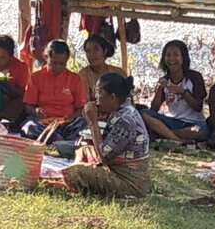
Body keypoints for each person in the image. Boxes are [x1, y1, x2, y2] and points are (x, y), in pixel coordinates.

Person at [64, 70, 152, 198]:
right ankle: (78, 174)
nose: (96, 98)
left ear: (112, 97)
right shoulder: (120, 111)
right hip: (115, 167)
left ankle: (71, 179)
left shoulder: (125, 121)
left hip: (127, 182)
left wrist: (92, 122)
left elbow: (104, 156)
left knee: (76, 172)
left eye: (100, 93)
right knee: (83, 150)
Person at [139, 38, 207, 145]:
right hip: (172, 121)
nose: (171, 59)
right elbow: (154, 109)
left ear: (183, 58)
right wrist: (160, 89)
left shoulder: (194, 77)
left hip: (193, 123)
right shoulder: (165, 80)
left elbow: (198, 106)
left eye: (176, 55)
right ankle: (179, 140)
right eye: (168, 55)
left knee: (201, 131)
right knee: (144, 114)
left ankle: (165, 134)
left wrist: (183, 92)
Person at [18, 39, 86, 142]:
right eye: (53, 63)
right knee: (28, 126)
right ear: (46, 58)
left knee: (84, 123)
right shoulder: (36, 77)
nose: (57, 67)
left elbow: (81, 108)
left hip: (67, 124)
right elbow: (28, 106)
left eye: (62, 64)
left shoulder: (75, 79)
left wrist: (72, 117)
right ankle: (58, 139)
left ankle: (58, 140)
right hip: (43, 124)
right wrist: (36, 112)